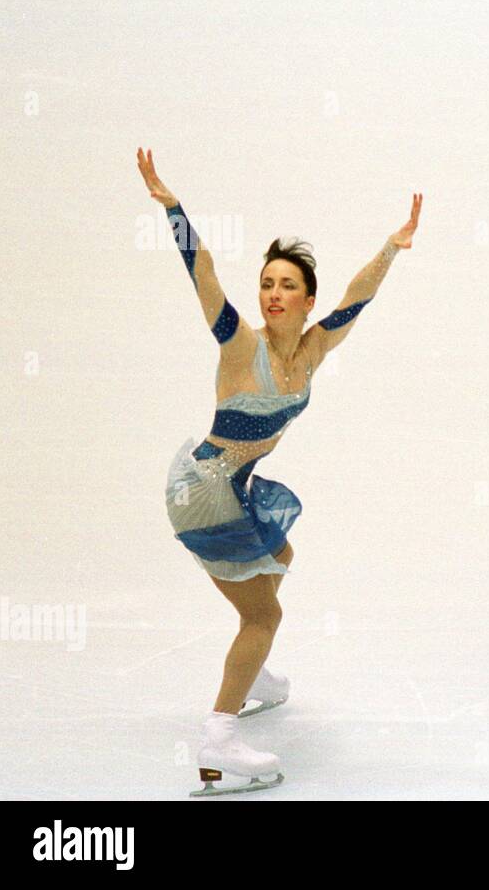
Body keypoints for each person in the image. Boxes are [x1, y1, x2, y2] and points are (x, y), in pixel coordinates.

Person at [137, 147, 423, 792]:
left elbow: (358, 298)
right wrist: (173, 208)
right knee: (262, 617)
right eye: (266, 283)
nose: (272, 293)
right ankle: (219, 738)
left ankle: (253, 674)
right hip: (206, 488)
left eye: (285, 285)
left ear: (305, 299)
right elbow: (202, 271)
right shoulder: (241, 344)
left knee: (281, 552)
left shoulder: (315, 347)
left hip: (234, 484)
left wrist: (391, 248)